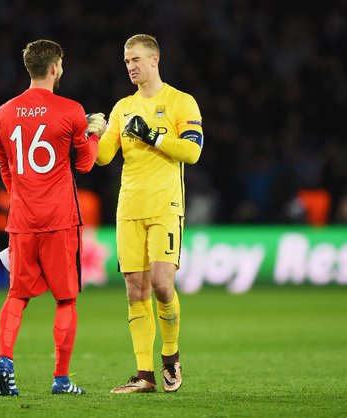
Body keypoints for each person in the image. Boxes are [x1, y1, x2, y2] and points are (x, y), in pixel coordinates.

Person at [0, 39, 106, 396]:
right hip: (60, 219)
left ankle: (5, 360)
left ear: (30, 68)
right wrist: (93, 133)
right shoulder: (71, 110)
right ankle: (61, 379)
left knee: (17, 295)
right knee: (66, 299)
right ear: (55, 68)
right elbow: (85, 163)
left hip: (22, 220)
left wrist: (23, 197)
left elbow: (5, 168)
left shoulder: (3, 113)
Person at [96, 34, 204, 393]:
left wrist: (153, 137)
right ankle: (144, 376)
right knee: (134, 290)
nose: (131, 67)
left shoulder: (180, 102)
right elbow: (102, 156)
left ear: (155, 59)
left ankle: (170, 356)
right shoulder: (121, 107)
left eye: (137, 60)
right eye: (127, 62)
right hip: (129, 207)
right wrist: (86, 135)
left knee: (161, 284)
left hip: (165, 206)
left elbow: (192, 153)